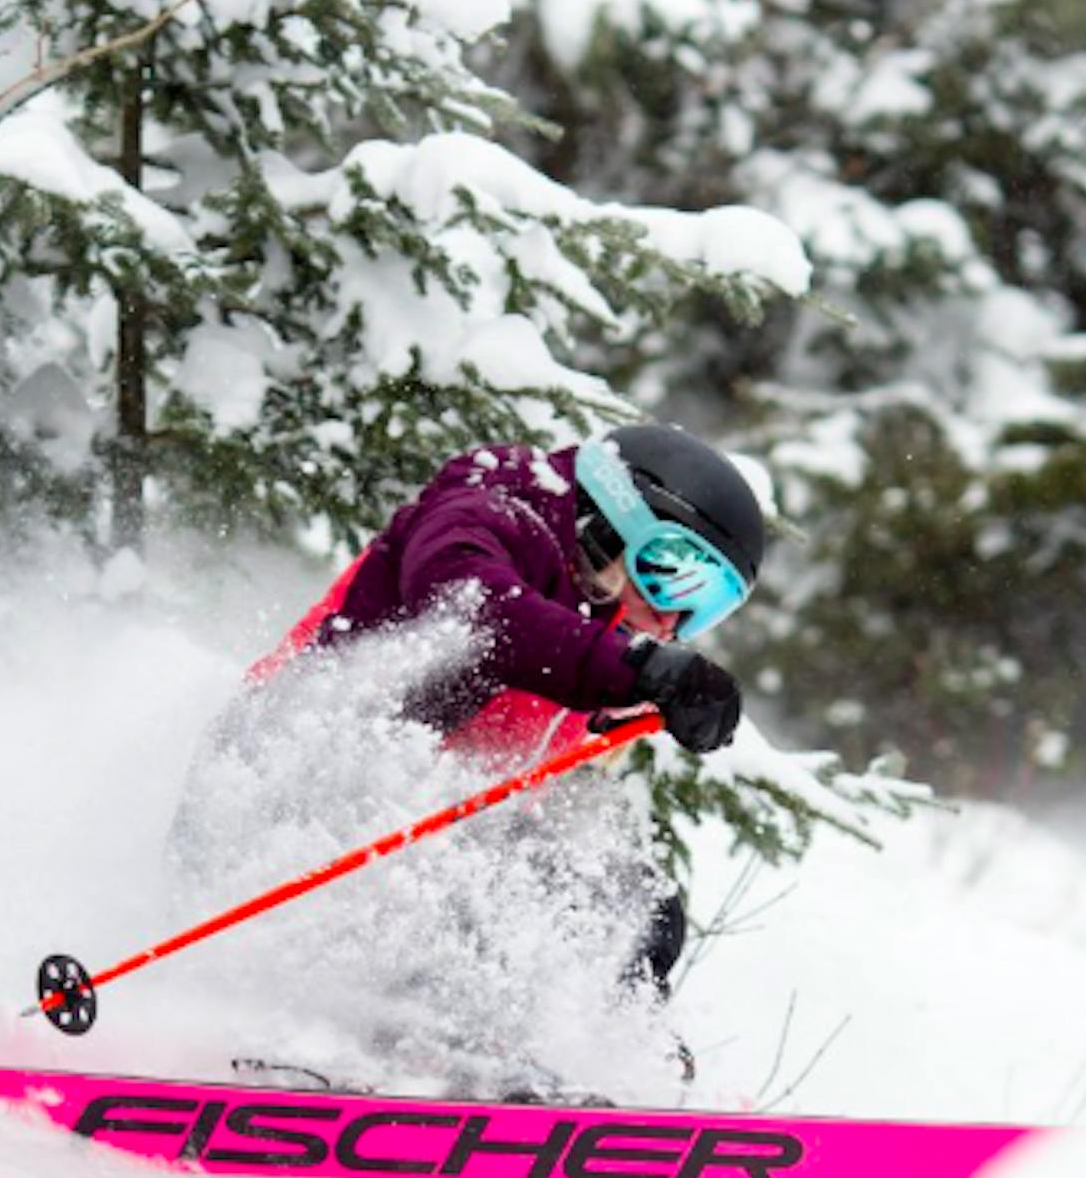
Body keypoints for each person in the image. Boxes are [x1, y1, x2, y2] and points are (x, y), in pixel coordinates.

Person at [232, 421, 765, 1011]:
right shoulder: (490, 513)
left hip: (409, 839)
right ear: (614, 524)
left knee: (636, 907)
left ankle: (611, 1059)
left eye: (707, 608)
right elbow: (477, 610)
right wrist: (639, 669)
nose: (673, 623)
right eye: (675, 576)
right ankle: (445, 1053)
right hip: (275, 800)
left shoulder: (596, 625)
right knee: (469, 891)